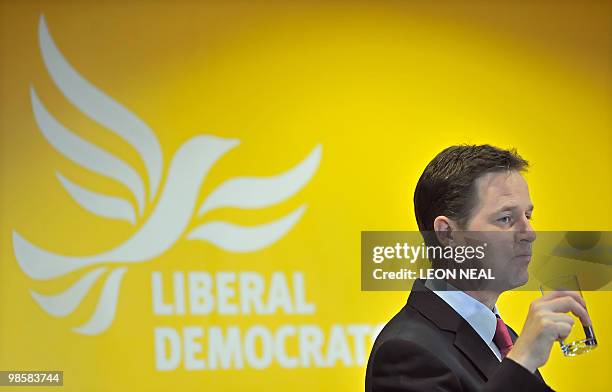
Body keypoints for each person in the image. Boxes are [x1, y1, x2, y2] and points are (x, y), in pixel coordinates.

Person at [365, 144, 591, 392]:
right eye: (505, 218)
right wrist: (522, 360)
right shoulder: (405, 352)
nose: (530, 233)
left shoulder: (504, 338)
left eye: (528, 216)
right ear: (447, 234)